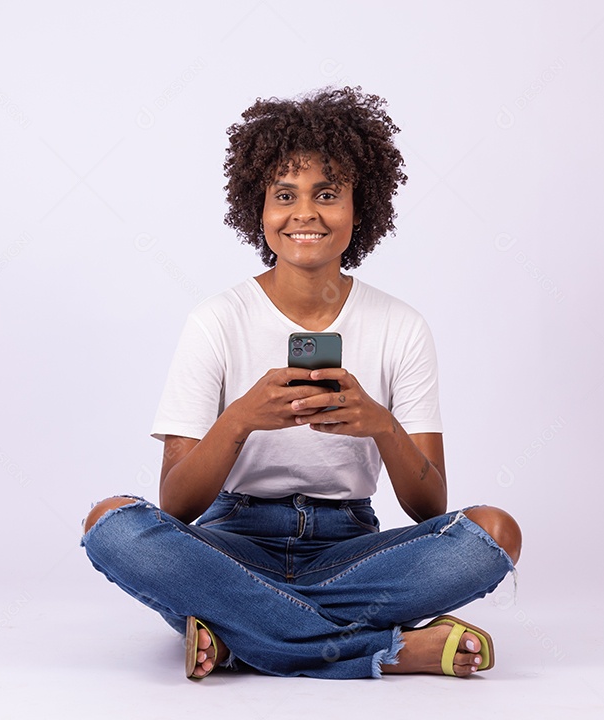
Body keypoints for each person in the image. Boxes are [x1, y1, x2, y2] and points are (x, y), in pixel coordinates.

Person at [81, 86, 521, 680]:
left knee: (493, 534)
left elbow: (428, 509)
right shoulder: (216, 321)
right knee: (111, 523)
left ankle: (238, 633)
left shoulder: (401, 326)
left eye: (327, 194)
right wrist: (239, 420)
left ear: (359, 208)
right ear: (259, 210)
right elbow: (177, 507)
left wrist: (381, 425)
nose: (305, 213)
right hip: (231, 543)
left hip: (349, 548)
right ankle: (383, 651)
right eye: (284, 195)